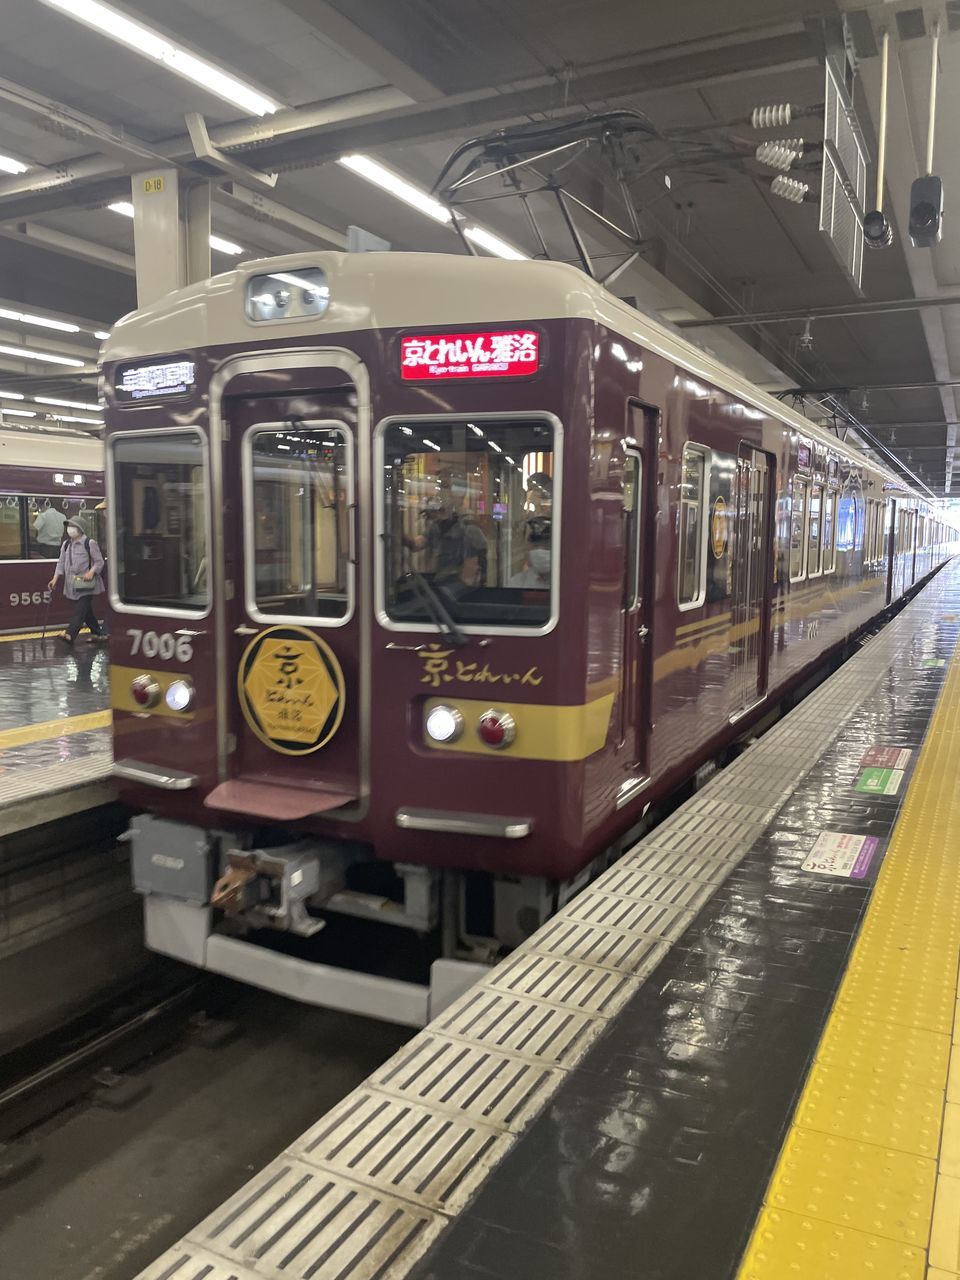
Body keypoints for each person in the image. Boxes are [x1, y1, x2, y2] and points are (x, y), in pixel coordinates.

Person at [405, 469, 488, 589]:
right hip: (438, 591)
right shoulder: (439, 525)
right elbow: (417, 544)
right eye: (440, 487)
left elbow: (469, 577)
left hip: (455, 597)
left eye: (445, 487)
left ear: (459, 494)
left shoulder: (470, 529)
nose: (440, 493)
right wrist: (400, 535)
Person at [49, 519, 107, 645]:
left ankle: (70, 634)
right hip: (72, 584)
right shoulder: (66, 544)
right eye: (68, 526)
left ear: (80, 528)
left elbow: (99, 562)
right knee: (86, 611)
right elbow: (61, 562)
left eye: (72, 526)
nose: (70, 529)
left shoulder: (89, 543)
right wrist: (55, 578)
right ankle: (99, 634)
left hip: (86, 584)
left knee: (80, 609)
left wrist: (92, 572)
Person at [509, 515, 552, 588]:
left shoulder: (568, 583)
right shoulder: (516, 584)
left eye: (546, 546)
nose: (540, 551)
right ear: (528, 549)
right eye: (536, 546)